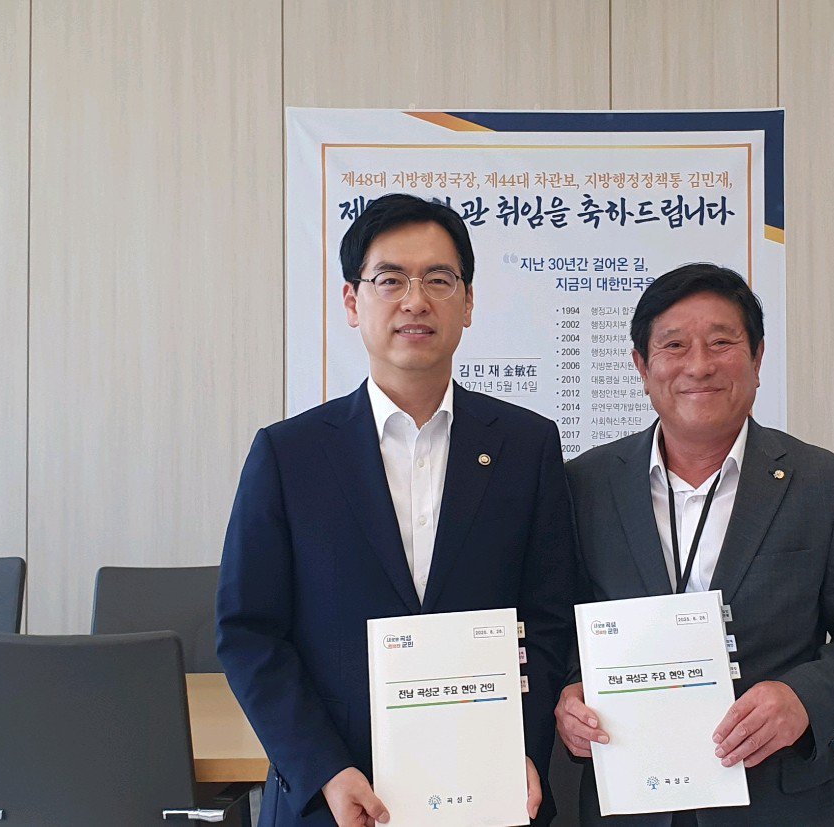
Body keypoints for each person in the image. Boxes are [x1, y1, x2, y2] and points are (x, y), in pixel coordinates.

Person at [218, 193, 577, 827]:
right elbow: (249, 633)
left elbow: (547, 622)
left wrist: (519, 749)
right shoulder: (289, 454)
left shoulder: (527, 446)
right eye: (390, 280)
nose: (415, 301)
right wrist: (324, 770)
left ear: (468, 303)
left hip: (490, 792)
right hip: (337, 799)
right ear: (352, 301)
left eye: (439, 280)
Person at [556, 263, 834, 825]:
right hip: (631, 799)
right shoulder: (586, 484)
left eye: (721, 343)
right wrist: (571, 691)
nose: (699, 365)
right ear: (642, 367)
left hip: (778, 802)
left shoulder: (823, 484)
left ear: (758, 359)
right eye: (674, 345)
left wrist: (803, 699)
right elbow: (559, 623)